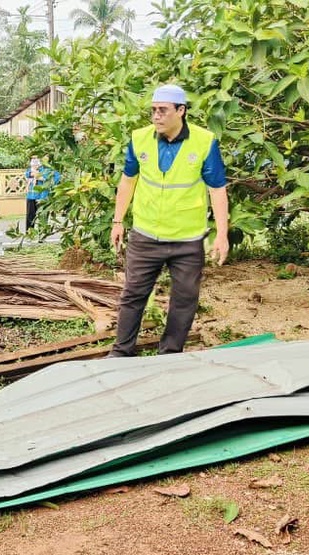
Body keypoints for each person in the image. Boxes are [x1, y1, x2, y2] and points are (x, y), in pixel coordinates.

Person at [108, 84, 230, 357]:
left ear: (181, 111)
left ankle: (170, 354)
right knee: (133, 295)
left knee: (184, 300)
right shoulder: (139, 139)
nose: (156, 116)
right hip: (145, 236)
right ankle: (121, 353)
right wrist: (118, 221)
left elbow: (217, 189)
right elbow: (128, 181)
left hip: (187, 240)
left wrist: (221, 234)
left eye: (162, 110)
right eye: (153, 110)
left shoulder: (204, 142)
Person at [24, 156, 59, 232]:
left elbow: (56, 177)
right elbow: (28, 174)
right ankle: (30, 233)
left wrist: (43, 177)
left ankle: (42, 234)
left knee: (43, 215)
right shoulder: (30, 169)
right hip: (31, 195)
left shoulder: (48, 169)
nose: (35, 162)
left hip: (43, 195)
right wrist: (36, 174)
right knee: (30, 215)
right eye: (33, 160)